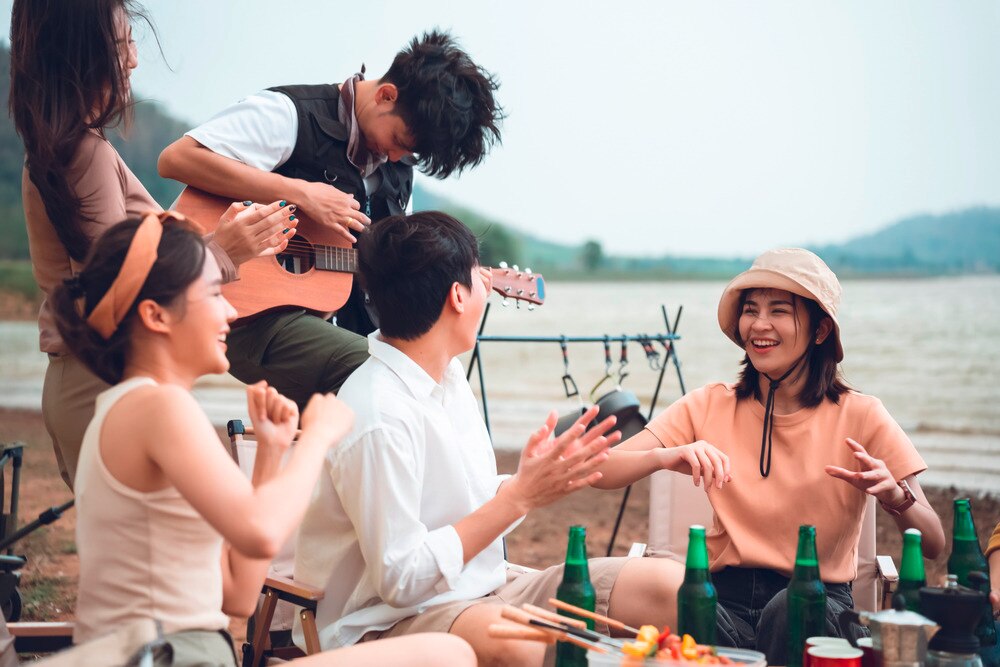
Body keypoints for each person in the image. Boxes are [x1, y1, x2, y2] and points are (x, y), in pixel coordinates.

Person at [50, 210, 476, 667]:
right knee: (447, 653)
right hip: (166, 655)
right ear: (156, 315)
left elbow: (239, 593)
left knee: (446, 651)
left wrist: (271, 454)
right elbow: (259, 532)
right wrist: (317, 437)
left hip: (179, 652)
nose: (231, 312)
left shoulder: (130, 406)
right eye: (214, 293)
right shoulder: (159, 407)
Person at [292, 210, 706, 666]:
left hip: (487, 589)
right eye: (479, 276)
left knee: (666, 587)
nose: (487, 288)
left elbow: (473, 507)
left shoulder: (447, 377)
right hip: (389, 623)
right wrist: (520, 497)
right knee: (524, 643)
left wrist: (541, 479)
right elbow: (401, 579)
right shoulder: (378, 415)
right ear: (457, 296)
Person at [587, 247, 945, 663]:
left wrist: (895, 497)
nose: (759, 324)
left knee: (790, 608)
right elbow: (600, 472)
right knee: (677, 594)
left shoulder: (862, 414)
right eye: (750, 310)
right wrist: (665, 458)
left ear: (820, 330)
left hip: (817, 605)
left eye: (779, 311)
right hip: (724, 604)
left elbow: (933, 542)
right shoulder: (708, 404)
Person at [8, 0, 295, 489]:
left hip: (86, 379)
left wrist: (218, 245)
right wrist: (222, 252)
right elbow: (118, 287)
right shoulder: (83, 154)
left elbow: (122, 268)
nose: (134, 60)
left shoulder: (64, 148)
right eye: (123, 45)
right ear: (84, 54)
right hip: (100, 379)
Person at [157, 30, 504, 408]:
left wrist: (453, 282)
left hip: (341, 327)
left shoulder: (400, 167)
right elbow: (176, 158)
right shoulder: (288, 114)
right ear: (386, 95)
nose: (395, 157)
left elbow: (386, 268)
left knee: (439, 376)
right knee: (387, 375)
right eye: (399, 141)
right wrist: (300, 193)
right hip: (245, 315)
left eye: (410, 152)